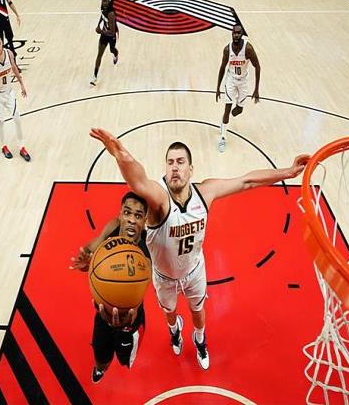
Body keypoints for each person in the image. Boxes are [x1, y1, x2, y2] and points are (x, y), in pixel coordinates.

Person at [90, 128, 309, 370]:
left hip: (194, 270)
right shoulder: (159, 199)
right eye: (170, 162)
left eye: (180, 162)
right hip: (164, 277)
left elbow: (247, 181)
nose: (175, 167)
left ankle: (200, 339)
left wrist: (288, 172)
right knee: (170, 311)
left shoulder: (205, 192)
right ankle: (175, 331)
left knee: (198, 311)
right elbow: (138, 180)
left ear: (191, 169)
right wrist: (121, 154)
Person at [70, 192, 150, 383]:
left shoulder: (146, 252)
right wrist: (87, 261)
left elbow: (137, 298)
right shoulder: (113, 227)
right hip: (102, 311)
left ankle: (123, 347)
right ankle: (100, 369)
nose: (131, 220)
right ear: (120, 214)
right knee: (101, 358)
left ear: (144, 221)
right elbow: (89, 250)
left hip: (129, 321)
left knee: (125, 361)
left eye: (138, 215)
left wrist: (125, 322)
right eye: (127, 213)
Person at [0, 33, 31, 161]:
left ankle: (22, 147)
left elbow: (14, 67)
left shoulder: (9, 54)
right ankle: (4, 146)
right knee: (1, 122)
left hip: (8, 92)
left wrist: (21, 84)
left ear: (2, 43)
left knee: (17, 118)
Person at [215, 24, 260, 153]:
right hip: (231, 80)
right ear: (232, 33)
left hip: (243, 81)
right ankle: (223, 137)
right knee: (227, 108)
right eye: (234, 33)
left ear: (242, 34)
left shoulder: (248, 49)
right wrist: (218, 87)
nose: (236, 35)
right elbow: (222, 67)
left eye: (238, 33)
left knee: (238, 110)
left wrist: (256, 89)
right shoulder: (227, 50)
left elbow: (257, 66)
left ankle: (227, 119)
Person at [90, 0, 119, 86]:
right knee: (99, 54)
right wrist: (98, 25)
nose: (104, 3)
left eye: (106, 1)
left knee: (112, 50)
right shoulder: (103, 7)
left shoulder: (111, 14)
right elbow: (102, 16)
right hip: (104, 34)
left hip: (111, 35)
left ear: (109, 1)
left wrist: (101, 31)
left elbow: (112, 32)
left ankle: (116, 54)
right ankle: (94, 76)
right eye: (103, 1)